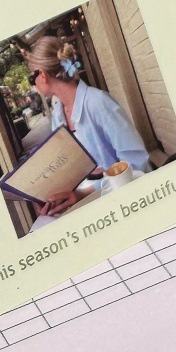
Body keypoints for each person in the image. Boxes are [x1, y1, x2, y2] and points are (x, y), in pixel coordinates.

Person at [27, 35, 152, 217]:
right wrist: (48, 196)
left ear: (43, 75)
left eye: (32, 78)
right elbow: (65, 168)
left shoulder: (97, 102)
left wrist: (84, 194)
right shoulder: (58, 115)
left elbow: (137, 163)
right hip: (87, 205)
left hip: (123, 203)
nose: (33, 85)